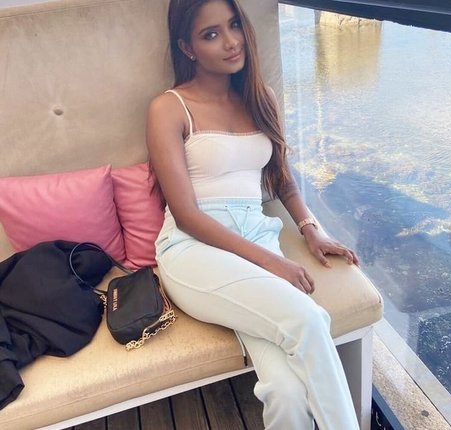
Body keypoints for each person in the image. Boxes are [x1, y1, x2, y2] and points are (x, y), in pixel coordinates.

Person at [147, 0, 360, 428]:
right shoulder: (168, 108)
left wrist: (310, 228)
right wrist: (271, 262)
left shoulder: (261, 99)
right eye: (211, 34)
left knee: (285, 392)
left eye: (233, 25)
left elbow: (282, 178)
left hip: (256, 235)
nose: (231, 42)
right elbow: (186, 214)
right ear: (187, 48)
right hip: (193, 248)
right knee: (308, 319)